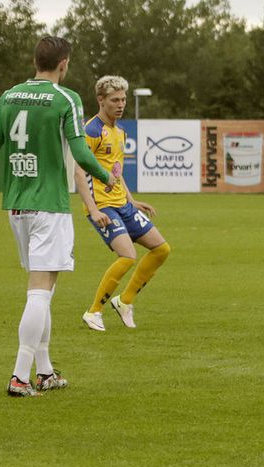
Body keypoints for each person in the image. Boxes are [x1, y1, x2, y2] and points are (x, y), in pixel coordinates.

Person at [0, 36, 116, 397]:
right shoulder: (66, 99)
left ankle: (43, 371)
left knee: (43, 288)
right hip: (50, 206)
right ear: (64, 64)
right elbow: (80, 152)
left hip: (17, 206)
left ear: (34, 61)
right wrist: (108, 176)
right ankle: (19, 375)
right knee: (40, 292)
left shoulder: (8, 96)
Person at [75, 75, 170, 332]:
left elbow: (115, 172)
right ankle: (93, 311)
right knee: (127, 255)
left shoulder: (120, 132)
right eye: (114, 100)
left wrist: (132, 200)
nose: (120, 104)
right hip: (103, 207)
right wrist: (93, 210)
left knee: (161, 249)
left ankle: (125, 301)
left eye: (123, 99)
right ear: (101, 100)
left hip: (122, 204)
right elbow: (78, 172)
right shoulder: (91, 130)